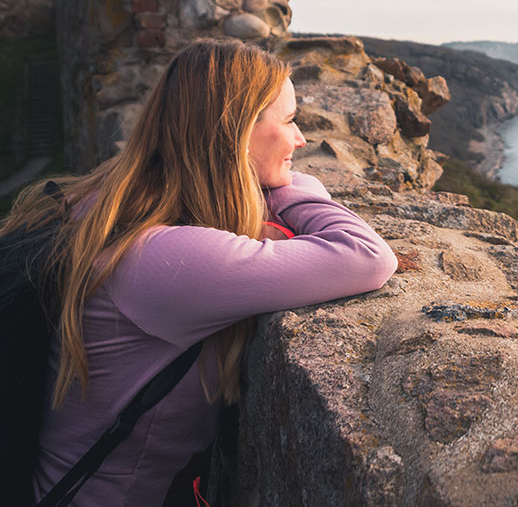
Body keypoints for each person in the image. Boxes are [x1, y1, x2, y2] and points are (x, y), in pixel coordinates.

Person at [2, 39, 398, 505]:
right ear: (236, 132)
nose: (302, 141)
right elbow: (366, 255)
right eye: (289, 121)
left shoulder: (111, 205)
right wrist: (284, 187)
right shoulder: (166, 259)